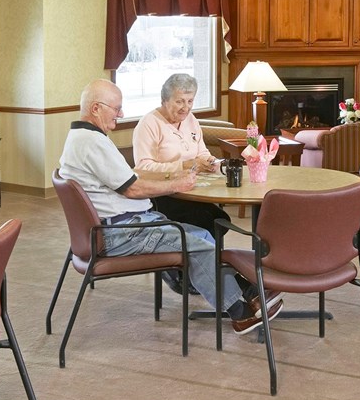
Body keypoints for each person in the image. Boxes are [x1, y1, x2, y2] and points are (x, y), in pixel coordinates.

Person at [59, 79, 282, 335]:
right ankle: (240, 310)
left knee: (202, 235)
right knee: (196, 243)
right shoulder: (93, 143)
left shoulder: (80, 138)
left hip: (117, 227)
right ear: (96, 108)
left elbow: (128, 182)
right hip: (120, 233)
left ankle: (248, 291)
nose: (120, 114)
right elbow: (132, 187)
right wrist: (177, 183)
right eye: (116, 108)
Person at [132, 74, 229, 295]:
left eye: (190, 101)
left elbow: (202, 152)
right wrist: (183, 165)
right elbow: (143, 168)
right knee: (208, 220)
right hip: (161, 195)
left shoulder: (191, 120)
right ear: (165, 100)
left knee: (219, 220)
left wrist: (212, 162)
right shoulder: (149, 124)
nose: (185, 108)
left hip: (189, 190)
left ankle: (203, 274)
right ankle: (179, 274)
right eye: (179, 101)